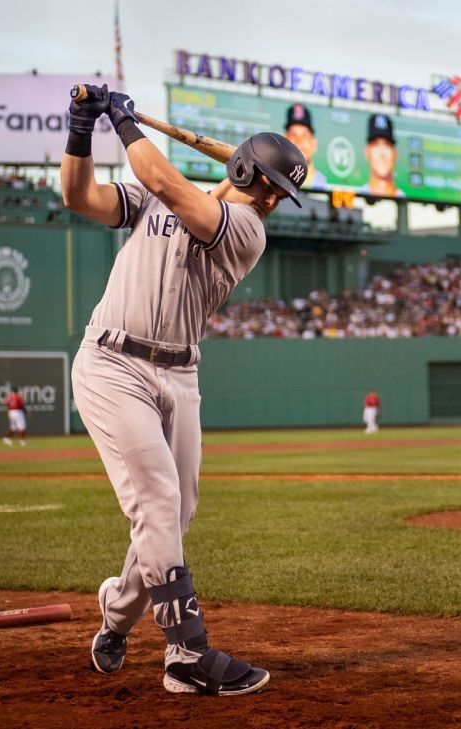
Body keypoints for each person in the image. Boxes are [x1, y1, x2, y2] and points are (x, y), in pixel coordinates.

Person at [61, 83, 306, 697]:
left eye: (281, 194)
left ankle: (117, 614)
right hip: (112, 363)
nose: (275, 200)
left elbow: (176, 191)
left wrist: (123, 122)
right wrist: (81, 126)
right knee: (158, 504)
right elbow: (77, 194)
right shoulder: (152, 193)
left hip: (180, 373)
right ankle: (187, 654)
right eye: (274, 187)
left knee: (177, 510)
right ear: (250, 171)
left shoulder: (247, 228)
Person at [361, 113, 404, 198]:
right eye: (375, 144)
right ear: (367, 152)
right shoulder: (356, 200)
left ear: (395, 153)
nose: (382, 153)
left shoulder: (406, 200)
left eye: (387, 145)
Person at [283, 103, 326, 189]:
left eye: (304, 136)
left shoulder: (325, 184)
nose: (299, 142)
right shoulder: (273, 179)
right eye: (293, 135)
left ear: (314, 143)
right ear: (284, 139)